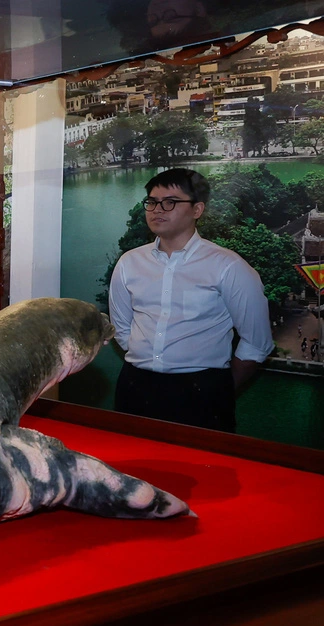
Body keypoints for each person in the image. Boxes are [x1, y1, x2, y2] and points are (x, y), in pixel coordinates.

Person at [109, 168, 272, 432]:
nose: (157, 209)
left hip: (202, 392)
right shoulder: (129, 263)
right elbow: (122, 328)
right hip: (134, 386)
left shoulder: (228, 266)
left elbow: (257, 343)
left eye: (170, 202)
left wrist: (219, 387)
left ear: (197, 209)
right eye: (151, 202)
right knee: (131, 467)